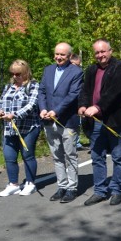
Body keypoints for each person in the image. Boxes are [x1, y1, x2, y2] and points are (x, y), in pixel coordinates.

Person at [78, 39, 121, 206]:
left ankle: (116, 190)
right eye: (97, 52)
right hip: (95, 121)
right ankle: (100, 191)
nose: (100, 55)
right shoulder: (91, 69)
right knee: (97, 156)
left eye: (103, 51)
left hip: (116, 121)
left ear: (110, 51)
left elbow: (114, 92)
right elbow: (85, 91)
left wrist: (97, 107)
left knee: (118, 157)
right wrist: (83, 106)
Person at [38, 42, 83, 203]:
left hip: (67, 121)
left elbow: (72, 96)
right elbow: (41, 91)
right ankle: (61, 186)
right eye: (57, 54)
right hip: (48, 120)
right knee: (57, 156)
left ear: (69, 56)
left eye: (62, 55)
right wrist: (43, 109)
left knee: (70, 155)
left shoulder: (76, 72)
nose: (59, 57)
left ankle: (72, 188)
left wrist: (56, 111)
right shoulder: (48, 70)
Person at [0, 60, 41, 196]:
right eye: (13, 73)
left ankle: (30, 183)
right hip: (9, 128)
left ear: (26, 72)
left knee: (27, 155)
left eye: (18, 74)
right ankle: (13, 184)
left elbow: (32, 105)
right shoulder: (9, 86)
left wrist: (14, 115)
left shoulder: (33, 86)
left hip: (28, 127)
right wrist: (0, 111)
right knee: (9, 156)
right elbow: (0, 101)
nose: (15, 76)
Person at [69, 54, 84, 150]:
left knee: (77, 123)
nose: (76, 67)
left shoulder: (79, 73)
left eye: (78, 65)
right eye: (74, 64)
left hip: (78, 102)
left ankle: (76, 142)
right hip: (67, 103)